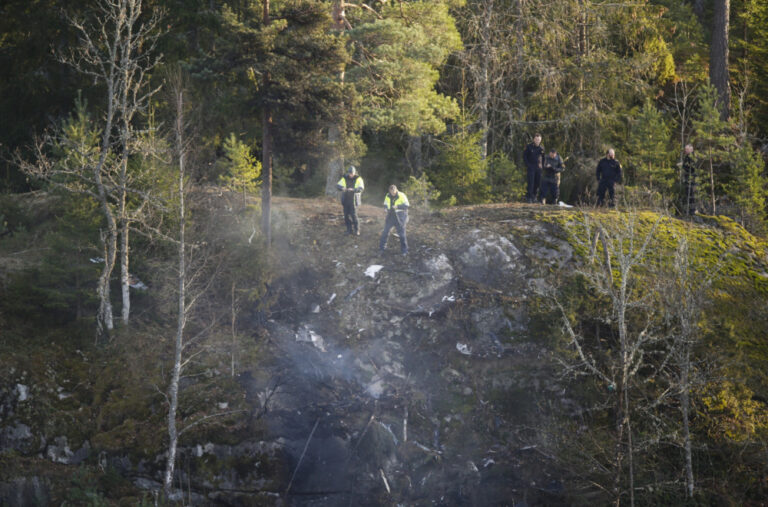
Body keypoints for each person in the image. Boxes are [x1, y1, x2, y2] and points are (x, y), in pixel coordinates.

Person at [379, 185, 409, 255]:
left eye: (394, 192)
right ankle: (382, 248)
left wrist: (397, 206)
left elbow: (407, 206)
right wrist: (386, 208)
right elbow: (385, 203)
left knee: (402, 234)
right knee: (385, 232)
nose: (392, 193)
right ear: (389, 191)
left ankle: (404, 250)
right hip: (390, 216)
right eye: (391, 192)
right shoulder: (387, 195)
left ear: (396, 190)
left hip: (400, 216)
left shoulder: (402, 195)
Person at [336, 165, 365, 235]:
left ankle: (357, 230)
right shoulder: (344, 177)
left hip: (354, 199)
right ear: (348, 173)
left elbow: (361, 188)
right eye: (350, 173)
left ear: (355, 173)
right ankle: (349, 230)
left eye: (352, 173)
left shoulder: (358, 178)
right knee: (346, 215)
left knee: (354, 215)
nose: (351, 175)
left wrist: (354, 190)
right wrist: (342, 188)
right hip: (345, 199)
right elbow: (338, 185)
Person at [523, 133, 545, 203]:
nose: (537, 141)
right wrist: (528, 165)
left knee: (537, 183)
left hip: (538, 168)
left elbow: (543, 158)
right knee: (531, 182)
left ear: (540, 140)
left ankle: (534, 197)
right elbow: (524, 156)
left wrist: (543, 166)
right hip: (531, 167)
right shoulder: (529, 147)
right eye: (536, 139)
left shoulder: (541, 148)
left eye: (539, 140)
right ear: (533, 139)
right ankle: (529, 197)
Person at [681, 144, 696, 215]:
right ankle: (688, 210)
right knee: (687, 193)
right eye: (685, 149)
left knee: (692, 194)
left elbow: (692, 168)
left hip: (692, 178)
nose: (685, 151)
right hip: (687, 178)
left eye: (686, 149)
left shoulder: (693, 157)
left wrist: (683, 167)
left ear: (691, 150)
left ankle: (692, 210)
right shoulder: (687, 157)